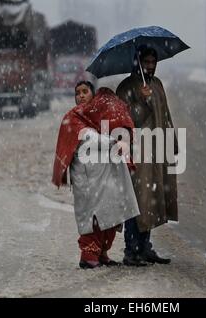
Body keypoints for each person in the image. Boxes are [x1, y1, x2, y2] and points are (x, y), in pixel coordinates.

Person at [52, 81, 140, 269]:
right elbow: (89, 139)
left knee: (109, 212)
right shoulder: (74, 117)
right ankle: (88, 256)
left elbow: (117, 124)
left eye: (85, 92)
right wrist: (114, 142)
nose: (81, 96)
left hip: (104, 177)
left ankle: (102, 253)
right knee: (92, 216)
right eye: (78, 93)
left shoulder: (99, 116)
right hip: (86, 178)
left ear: (93, 95)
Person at [116, 46, 178, 266]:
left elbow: (166, 115)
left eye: (153, 62)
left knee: (151, 199)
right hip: (136, 154)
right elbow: (124, 121)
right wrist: (141, 101)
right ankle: (131, 250)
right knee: (137, 200)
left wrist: (172, 145)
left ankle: (145, 247)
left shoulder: (157, 84)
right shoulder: (126, 87)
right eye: (146, 62)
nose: (150, 66)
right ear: (138, 62)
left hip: (157, 151)